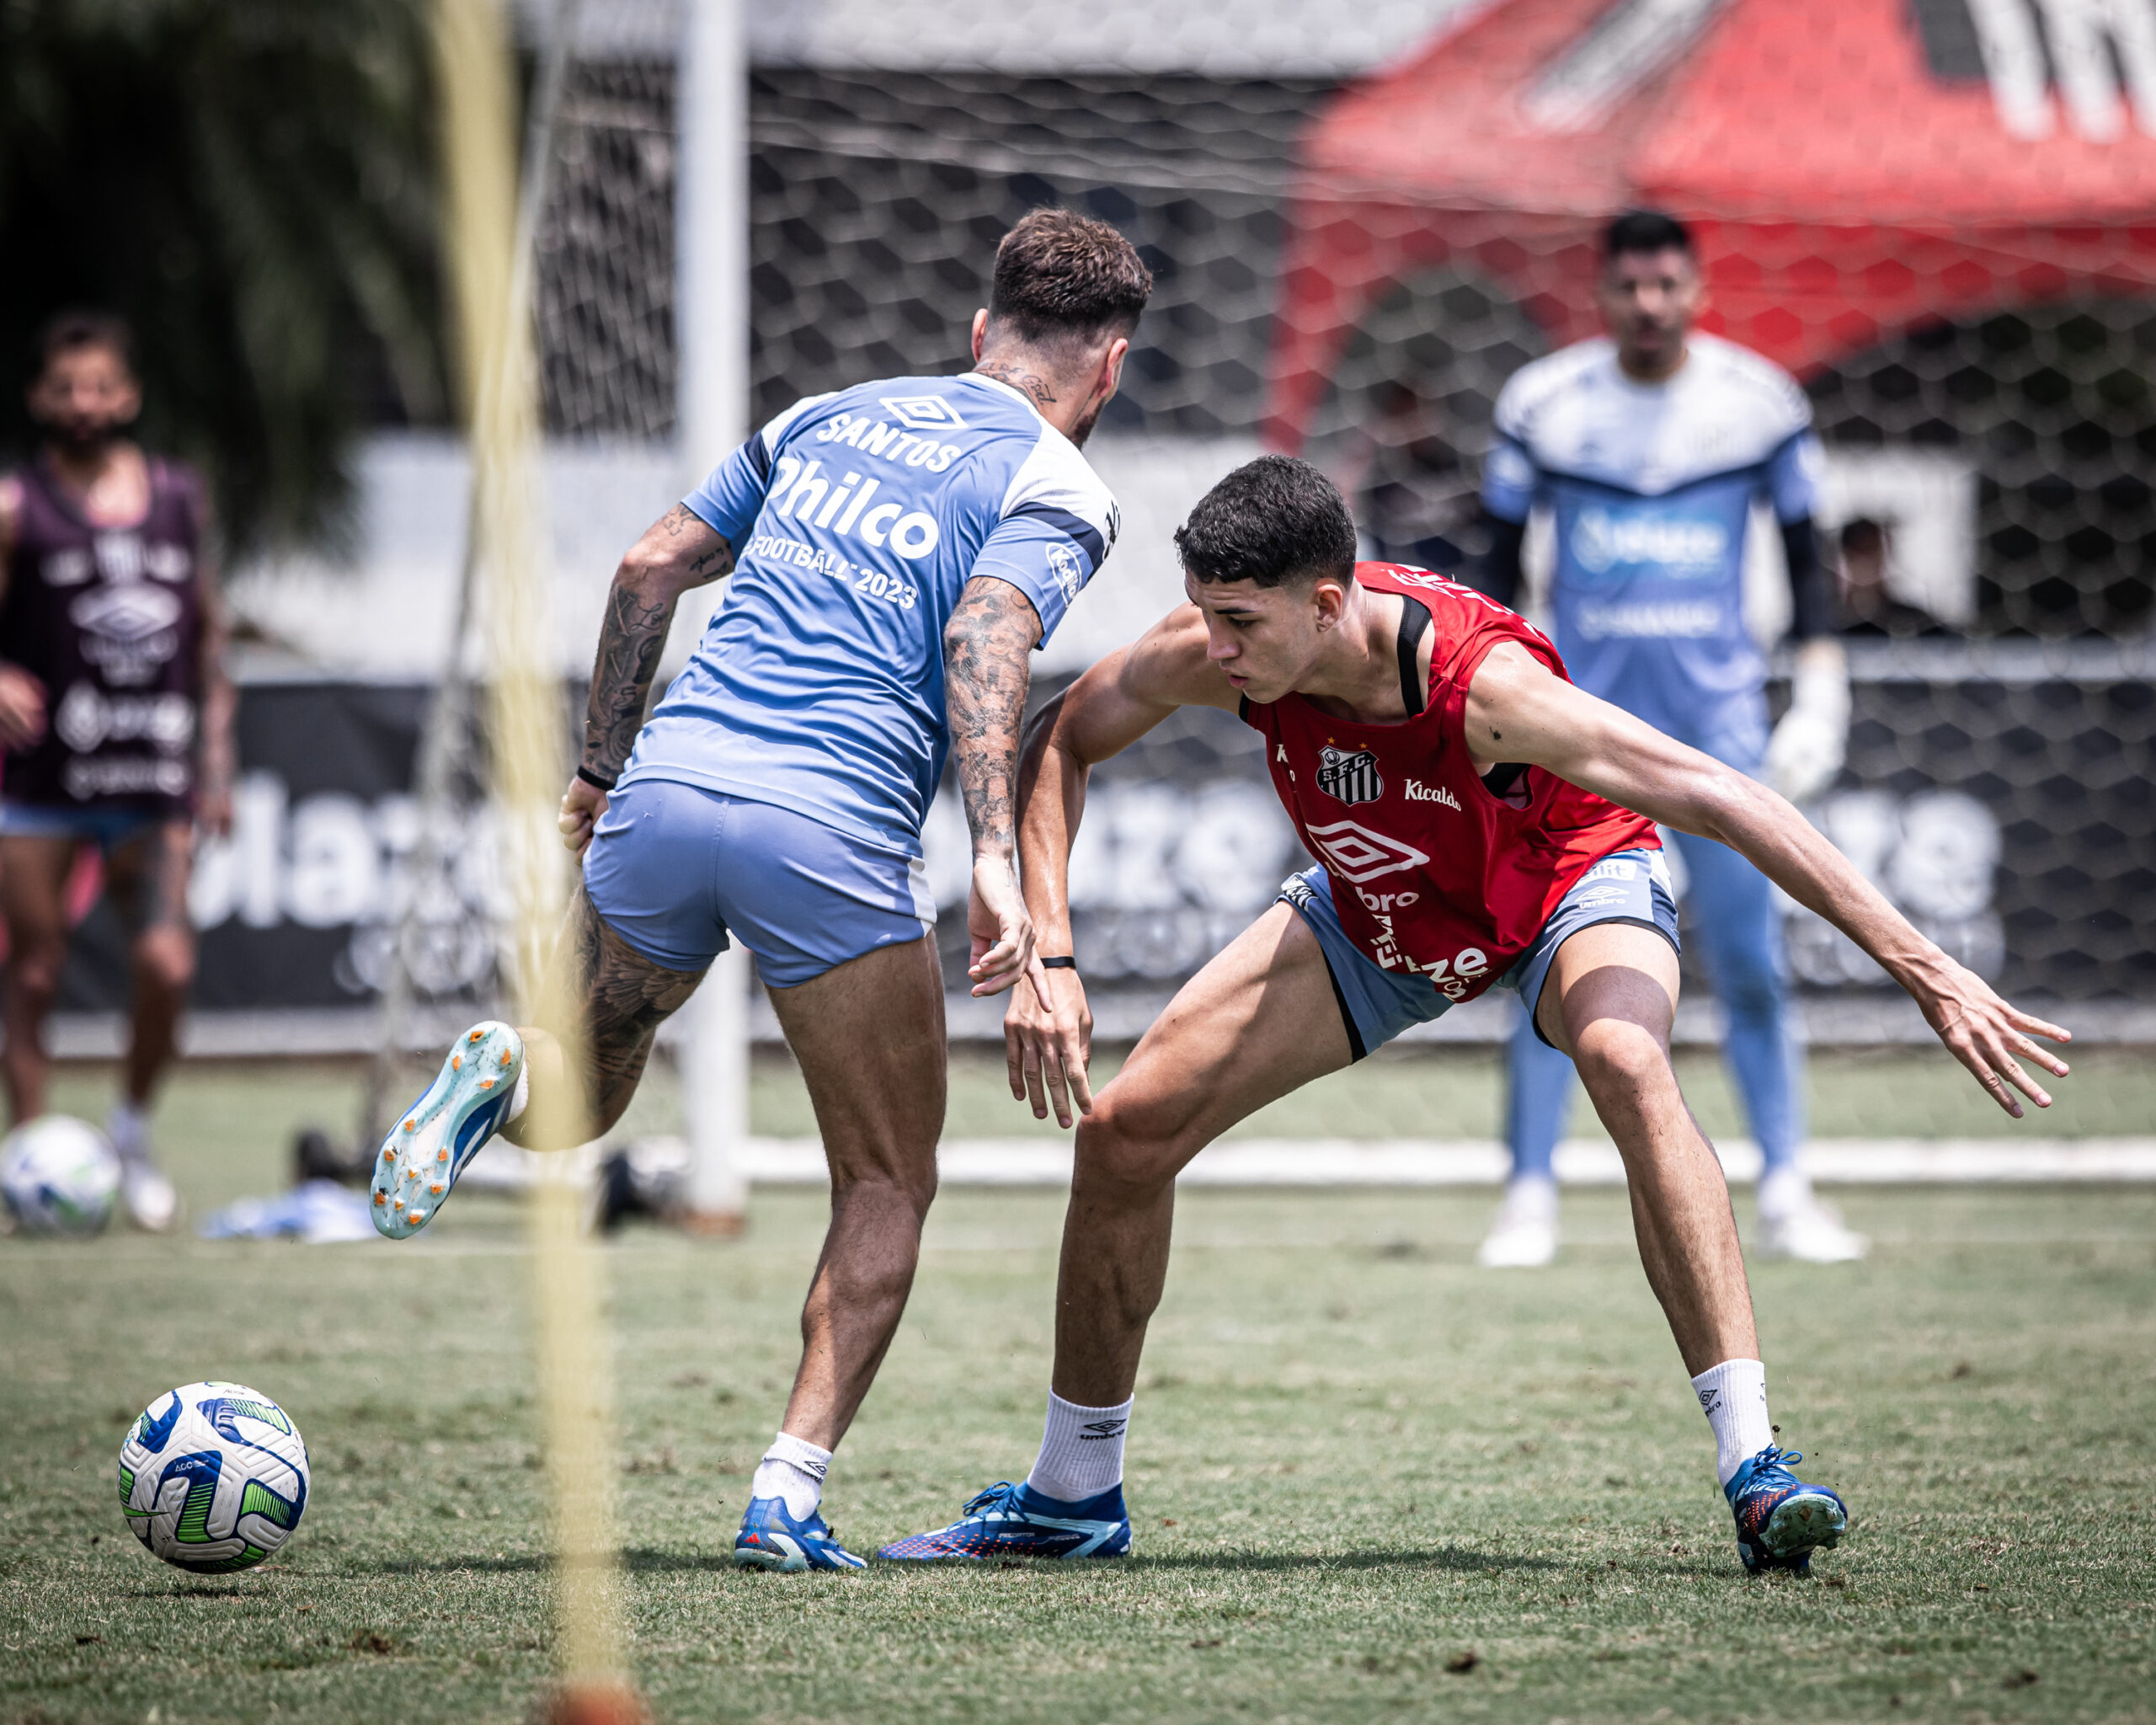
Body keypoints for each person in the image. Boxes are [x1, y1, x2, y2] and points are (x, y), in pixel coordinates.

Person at [881, 456, 2068, 1574]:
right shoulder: (1223, 646)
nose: (1215, 645)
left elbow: (1721, 795)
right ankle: (1073, 1499)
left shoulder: (1492, 692)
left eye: (1241, 622)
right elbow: (1063, 738)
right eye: (1208, 614)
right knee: (1126, 1132)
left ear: (1330, 603)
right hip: (1388, 896)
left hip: (1565, 877)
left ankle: (1754, 1464)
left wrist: (1925, 967)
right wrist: (1053, 946)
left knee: (1623, 1057)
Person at [367, 209, 1152, 1573]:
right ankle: (783, 1491)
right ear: (1112, 370)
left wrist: (602, 764)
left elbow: (648, 563)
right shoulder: (1061, 484)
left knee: (582, 1092)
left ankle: (497, 1068)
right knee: (889, 1173)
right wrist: (983, 849)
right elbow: (985, 630)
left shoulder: (825, 413)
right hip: (828, 832)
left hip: (667, 788)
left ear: (980, 334)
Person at [1474, 209, 1863, 1269]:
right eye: (1629, 287)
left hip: (1719, 737)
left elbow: (1808, 559)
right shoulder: (1543, 406)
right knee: (1546, 967)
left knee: (1749, 962)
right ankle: (1528, 1191)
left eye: (1666, 286)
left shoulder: (1758, 405)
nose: (1648, 305)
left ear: (1696, 291)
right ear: (1600, 295)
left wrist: (1819, 691)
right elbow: (1495, 578)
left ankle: (1785, 1183)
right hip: (1575, 737)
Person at [0, 312, 234, 1231]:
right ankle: (30, 1157)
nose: (84, 403)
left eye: (100, 385)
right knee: (34, 973)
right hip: (42, 787)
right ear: (38, 398)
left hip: (154, 781)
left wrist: (217, 768)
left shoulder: (180, 497)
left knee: (166, 961)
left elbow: (212, 644)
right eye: (66, 388)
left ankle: (130, 1130)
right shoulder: (18, 506)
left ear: (129, 394)